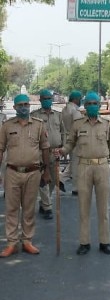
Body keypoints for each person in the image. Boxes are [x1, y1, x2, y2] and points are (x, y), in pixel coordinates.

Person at [57, 91, 110, 255]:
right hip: (84, 168)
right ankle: (84, 242)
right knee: (83, 207)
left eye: (95, 104)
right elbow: (70, 143)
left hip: (102, 167)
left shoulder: (106, 124)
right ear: (85, 106)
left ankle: (104, 242)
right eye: (89, 104)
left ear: (99, 106)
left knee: (103, 207)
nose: (92, 106)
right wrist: (61, 151)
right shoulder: (78, 124)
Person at [0, 94, 51, 257]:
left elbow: (45, 148)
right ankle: (12, 243)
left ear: (29, 106)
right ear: (14, 108)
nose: (24, 107)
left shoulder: (39, 125)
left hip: (33, 173)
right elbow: (0, 149)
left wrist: (47, 171)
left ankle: (27, 241)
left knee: (30, 208)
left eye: (26, 104)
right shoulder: (7, 126)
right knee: (12, 208)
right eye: (20, 105)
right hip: (12, 172)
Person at [31, 89, 64, 220]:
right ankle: (48, 207)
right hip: (40, 153)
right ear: (40, 100)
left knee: (52, 180)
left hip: (55, 152)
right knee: (42, 179)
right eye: (44, 98)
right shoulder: (34, 115)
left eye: (49, 98)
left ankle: (43, 203)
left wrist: (63, 149)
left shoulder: (58, 115)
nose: (47, 101)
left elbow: (63, 132)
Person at [60, 90, 84, 194]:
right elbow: (78, 126)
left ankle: (61, 178)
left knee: (73, 161)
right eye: (80, 99)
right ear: (76, 99)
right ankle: (76, 188)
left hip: (67, 137)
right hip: (75, 139)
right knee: (76, 163)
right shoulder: (75, 111)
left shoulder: (65, 109)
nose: (80, 101)